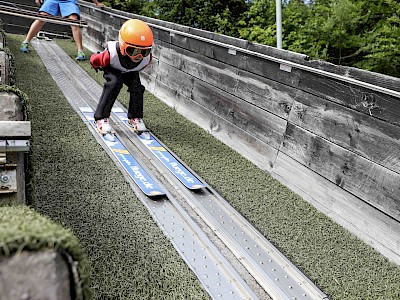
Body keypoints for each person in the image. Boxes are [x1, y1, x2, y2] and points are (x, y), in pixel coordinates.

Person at [89, 19, 153, 135]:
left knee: (137, 87)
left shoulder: (146, 59)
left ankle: (135, 117)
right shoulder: (110, 54)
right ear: (123, 45)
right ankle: (101, 118)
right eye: (133, 51)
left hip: (130, 71)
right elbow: (95, 59)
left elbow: (136, 70)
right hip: (113, 67)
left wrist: (131, 73)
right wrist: (94, 64)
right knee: (114, 83)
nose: (139, 56)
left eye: (144, 52)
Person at [20, 0, 104, 60]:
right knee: (41, 18)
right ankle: (25, 42)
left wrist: (96, 3)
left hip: (69, 1)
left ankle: (80, 51)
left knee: (74, 21)